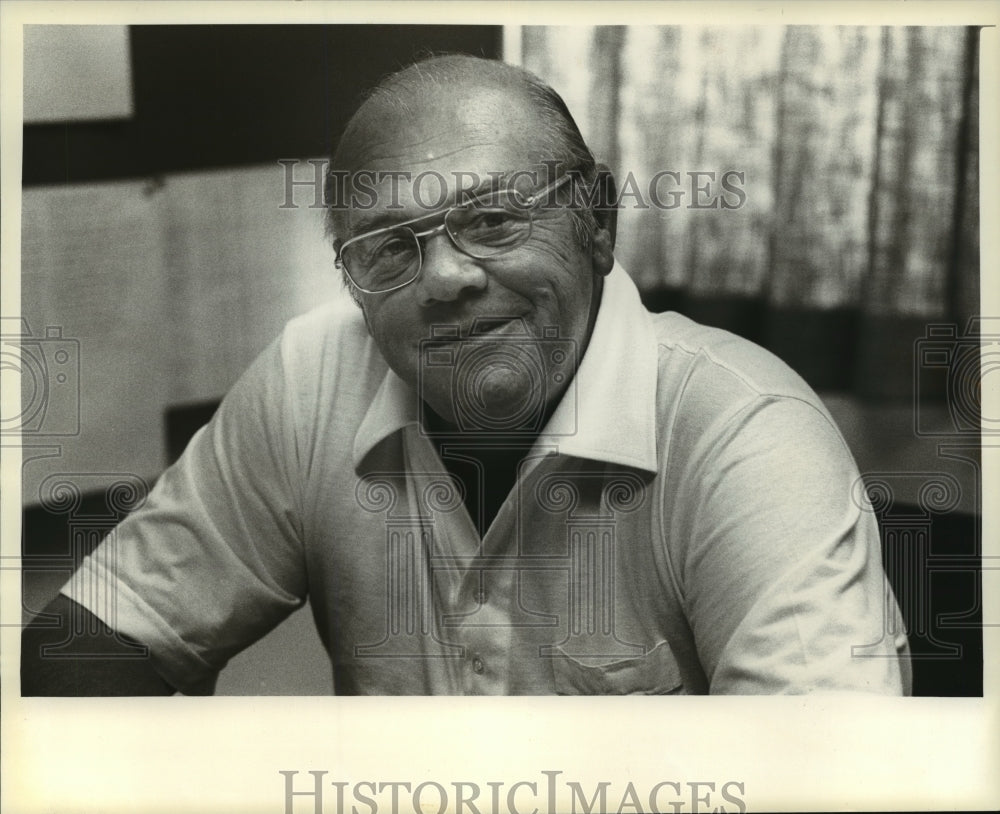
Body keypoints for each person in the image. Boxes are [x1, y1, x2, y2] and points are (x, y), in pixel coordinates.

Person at [21, 55, 911, 696]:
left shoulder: (744, 429)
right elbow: (88, 639)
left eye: (492, 219)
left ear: (597, 223)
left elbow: (826, 775)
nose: (445, 278)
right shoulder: (312, 372)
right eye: (388, 248)